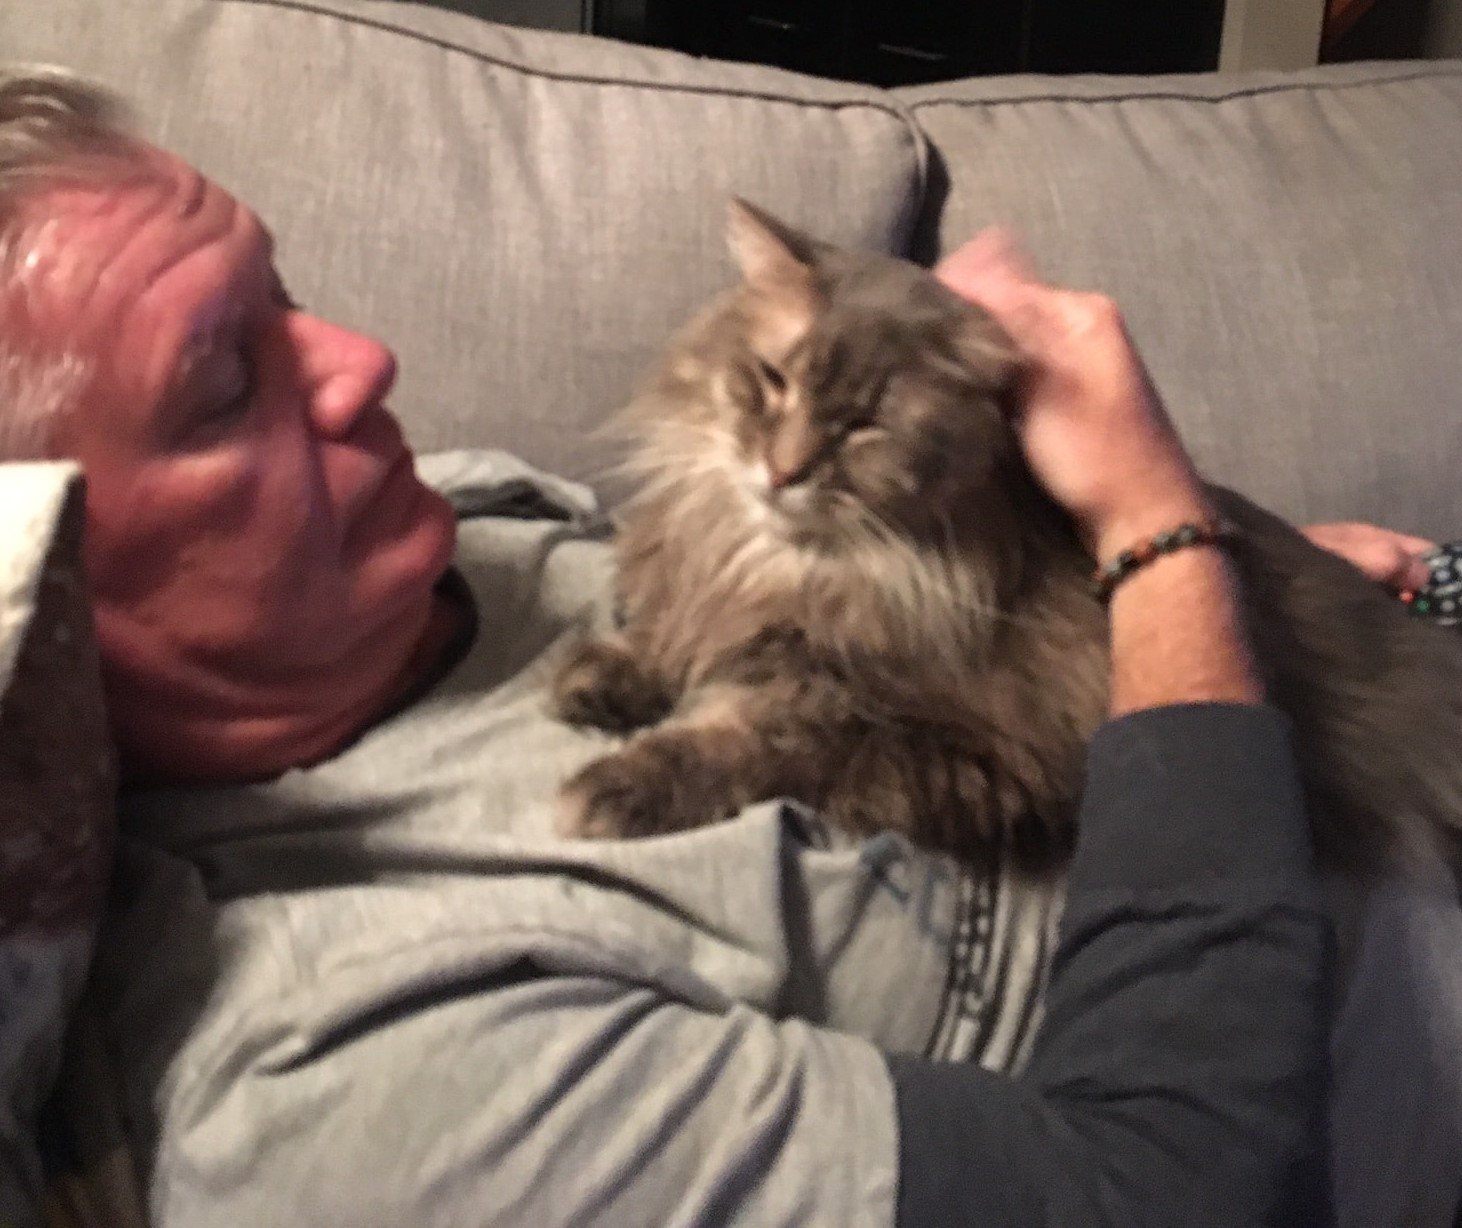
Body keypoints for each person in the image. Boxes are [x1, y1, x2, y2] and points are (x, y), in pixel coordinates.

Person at [0, 69, 1453, 1226]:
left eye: (291, 294)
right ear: (52, 567)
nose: (366, 357)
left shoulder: (447, 523)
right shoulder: (348, 1074)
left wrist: (1238, 593)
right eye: (223, 378)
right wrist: (1161, 537)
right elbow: (1176, 1196)